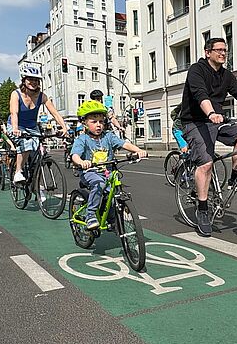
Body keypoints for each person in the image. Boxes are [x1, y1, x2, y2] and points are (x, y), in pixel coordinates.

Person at [180, 37, 237, 237]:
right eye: (219, 50)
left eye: (225, 50)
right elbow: (200, 94)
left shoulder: (226, 75)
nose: (223, 53)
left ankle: (234, 178)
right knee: (206, 163)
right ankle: (203, 209)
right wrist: (210, 113)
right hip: (195, 121)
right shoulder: (197, 70)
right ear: (208, 52)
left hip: (217, 120)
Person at [71, 100, 147, 230]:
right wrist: (82, 162)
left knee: (115, 191)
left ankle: (112, 218)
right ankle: (90, 216)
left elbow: (124, 144)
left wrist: (138, 150)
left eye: (101, 121)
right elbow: (75, 155)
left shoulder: (108, 136)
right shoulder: (82, 139)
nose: (98, 125)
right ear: (84, 123)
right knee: (99, 184)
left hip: (108, 172)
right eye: (94, 122)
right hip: (91, 173)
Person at [8, 63, 70, 183]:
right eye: (30, 79)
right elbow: (14, 113)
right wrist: (15, 128)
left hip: (32, 127)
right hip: (17, 125)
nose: (33, 82)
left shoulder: (42, 96)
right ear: (24, 80)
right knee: (26, 144)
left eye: (36, 80)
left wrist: (64, 127)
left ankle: (37, 186)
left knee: (38, 155)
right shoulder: (16, 94)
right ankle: (18, 172)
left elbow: (55, 113)